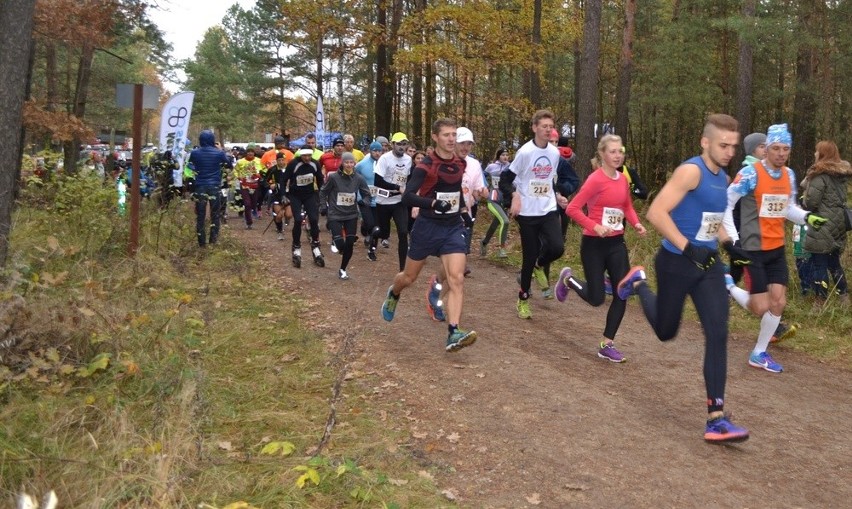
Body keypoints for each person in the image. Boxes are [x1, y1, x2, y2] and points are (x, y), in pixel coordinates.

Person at [617, 113, 752, 443]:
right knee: (666, 331)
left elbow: (713, 219)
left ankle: (716, 418)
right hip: (676, 263)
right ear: (705, 142)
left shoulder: (723, 176)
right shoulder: (691, 171)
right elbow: (656, 212)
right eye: (723, 145)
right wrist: (689, 248)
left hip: (707, 267)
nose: (729, 151)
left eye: (733, 146)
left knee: (718, 332)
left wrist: (729, 244)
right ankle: (637, 283)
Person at [722, 123, 827, 373]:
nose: (781, 153)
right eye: (776, 148)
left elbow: (787, 207)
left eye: (786, 149)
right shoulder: (750, 174)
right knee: (760, 306)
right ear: (766, 149)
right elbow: (725, 203)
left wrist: (807, 217)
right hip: (753, 248)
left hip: (776, 248)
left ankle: (759, 353)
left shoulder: (789, 175)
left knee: (778, 303)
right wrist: (734, 240)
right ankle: (726, 285)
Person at [380, 118, 477, 352]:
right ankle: (394, 293)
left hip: (452, 227)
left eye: (454, 134)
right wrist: (433, 203)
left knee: (457, 278)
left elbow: (456, 193)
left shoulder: (460, 164)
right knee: (409, 278)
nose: (452, 139)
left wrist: (463, 211)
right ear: (435, 137)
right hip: (427, 227)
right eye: (446, 135)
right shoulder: (425, 165)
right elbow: (408, 197)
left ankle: (454, 332)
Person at [555, 134, 647, 363]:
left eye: (620, 151)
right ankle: (568, 280)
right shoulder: (595, 180)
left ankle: (607, 344)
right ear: (603, 155)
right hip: (594, 245)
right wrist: (594, 226)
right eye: (613, 151)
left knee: (622, 293)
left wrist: (636, 223)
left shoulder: (623, 180)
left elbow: (626, 205)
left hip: (616, 243)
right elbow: (573, 208)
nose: (618, 155)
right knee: (596, 299)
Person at [499, 109, 565, 319]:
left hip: (547, 208)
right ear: (535, 128)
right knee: (528, 256)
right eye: (544, 126)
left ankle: (540, 264)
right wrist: (514, 195)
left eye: (550, 126)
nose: (548, 130)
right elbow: (504, 180)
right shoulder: (525, 152)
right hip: (527, 212)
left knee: (557, 247)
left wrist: (557, 195)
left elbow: (547, 181)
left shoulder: (554, 154)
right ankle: (524, 297)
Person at [801, 140, 850, 303]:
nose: (815, 153)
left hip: (821, 223)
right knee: (834, 262)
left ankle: (819, 301)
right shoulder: (840, 176)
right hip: (838, 224)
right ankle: (844, 296)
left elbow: (811, 203)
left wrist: (803, 200)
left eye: (817, 151)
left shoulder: (819, 175)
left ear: (822, 154)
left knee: (819, 263)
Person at [320, 152, 371, 279]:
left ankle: (343, 269)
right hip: (335, 214)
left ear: (354, 163)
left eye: (351, 162)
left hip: (351, 215)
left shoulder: (359, 178)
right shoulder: (333, 178)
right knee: (340, 244)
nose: (349, 165)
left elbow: (367, 194)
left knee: (349, 242)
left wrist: (364, 202)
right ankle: (338, 243)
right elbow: (323, 192)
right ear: (342, 163)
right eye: (346, 162)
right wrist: (323, 206)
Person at [374, 132, 413, 270]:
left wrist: (406, 190)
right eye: (399, 144)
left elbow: (407, 178)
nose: (402, 147)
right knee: (382, 233)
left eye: (404, 144)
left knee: (403, 232)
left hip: (399, 201)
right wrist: (396, 187)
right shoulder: (384, 159)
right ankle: (372, 239)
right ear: (393, 145)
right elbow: (377, 181)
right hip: (383, 201)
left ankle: (403, 269)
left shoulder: (408, 160)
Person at [187, 130, 232, 246]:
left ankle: (201, 243)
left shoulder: (195, 153)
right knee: (215, 214)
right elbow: (229, 165)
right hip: (214, 185)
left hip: (200, 185)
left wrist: (197, 169)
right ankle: (213, 240)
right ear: (212, 139)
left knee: (200, 215)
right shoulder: (219, 153)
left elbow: (190, 165)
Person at [283, 147, 325, 268]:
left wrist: (322, 195)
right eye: (304, 156)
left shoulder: (315, 164)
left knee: (313, 219)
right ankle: (296, 246)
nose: (307, 158)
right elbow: (283, 179)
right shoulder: (293, 164)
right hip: (295, 195)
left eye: (309, 156)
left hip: (310, 194)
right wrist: (283, 195)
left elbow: (320, 180)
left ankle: (316, 245)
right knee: (297, 220)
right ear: (300, 155)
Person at [480, 147, 511, 258]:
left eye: (507, 155)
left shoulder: (511, 168)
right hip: (493, 199)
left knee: (496, 224)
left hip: (506, 201)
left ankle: (484, 242)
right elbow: (481, 176)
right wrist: (485, 187)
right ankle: (502, 249)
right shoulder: (491, 167)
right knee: (505, 221)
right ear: (498, 156)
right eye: (503, 155)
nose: (505, 157)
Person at [355, 141, 383, 261]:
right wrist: (357, 196)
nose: (377, 153)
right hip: (364, 199)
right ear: (370, 151)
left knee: (377, 228)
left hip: (379, 200)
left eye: (379, 151)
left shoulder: (383, 164)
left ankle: (372, 250)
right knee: (371, 225)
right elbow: (354, 180)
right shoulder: (361, 165)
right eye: (374, 151)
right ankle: (365, 227)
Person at [232, 144, 266, 229]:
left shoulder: (259, 161)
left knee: (254, 203)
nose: (250, 154)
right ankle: (249, 222)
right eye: (248, 153)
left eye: (252, 153)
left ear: (254, 153)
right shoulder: (240, 162)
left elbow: (265, 170)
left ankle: (253, 210)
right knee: (247, 204)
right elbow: (235, 171)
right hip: (244, 185)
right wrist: (239, 177)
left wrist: (259, 175)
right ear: (246, 154)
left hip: (255, 185)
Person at [266, 152, 294, 240]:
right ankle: (280, 231)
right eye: (279, 160)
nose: (281, 162)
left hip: (289, 194)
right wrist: (270, 185)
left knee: (289, 214)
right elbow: (264, 180)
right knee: (279, 215)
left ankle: (287, 219)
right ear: (276, 161)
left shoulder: (290, 170)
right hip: (277, 195)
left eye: (283, 160)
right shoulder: (273, 170)